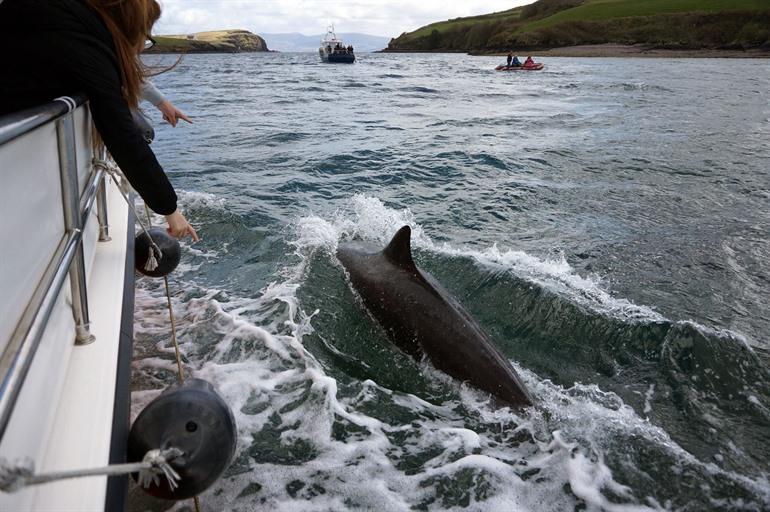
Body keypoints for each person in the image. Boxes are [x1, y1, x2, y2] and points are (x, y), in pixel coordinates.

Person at [0, 0, 198, 241]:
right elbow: (122, 135)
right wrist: (170, 210)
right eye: (145, 36)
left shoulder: (63, 20)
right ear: (128, 24)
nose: (142, 47)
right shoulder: (80, 41)